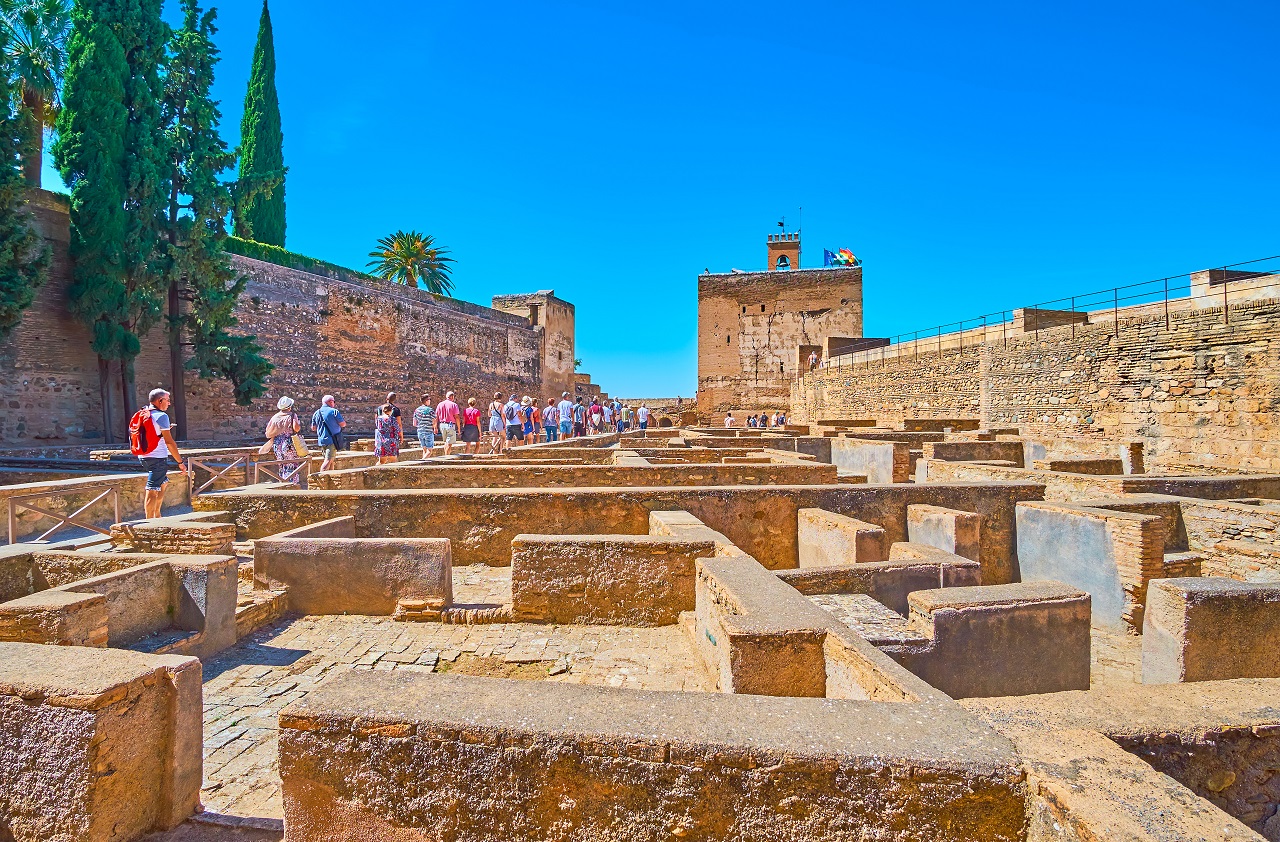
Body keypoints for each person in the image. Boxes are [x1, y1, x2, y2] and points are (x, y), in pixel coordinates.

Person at [132, 388, 187, 518]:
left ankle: (157, 514)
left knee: (163, 482)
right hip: (157, 458)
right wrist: (180, 462)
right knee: (152, 489)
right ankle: (150, 523)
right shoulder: (162, 416)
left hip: (144, 456)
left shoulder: (144, 413)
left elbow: (152, 433)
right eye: (167, 400)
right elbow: (169, 442)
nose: (169, 403)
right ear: (160, 400)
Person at [266, 396, 304, 483]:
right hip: (288, 443)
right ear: (290, 406)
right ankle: (292, 485)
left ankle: (283, 484)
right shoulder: (292, 416)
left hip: (277, 443)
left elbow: (268, 431)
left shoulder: (275, 417)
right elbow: (296, 428)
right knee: (291, 464)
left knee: (282, 465)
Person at [310, 395, 347, 472]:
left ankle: (330, 481)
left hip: (322, 440)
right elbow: (343, 424)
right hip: (332, 440)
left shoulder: (316, 413)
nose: (334, 403)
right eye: (334, 401)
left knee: (331, 461)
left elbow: (313, 428)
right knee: (328, 461)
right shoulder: (334, 411)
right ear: (330, 402)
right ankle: (321, 480)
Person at [435, 390, 461, 456]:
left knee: (446, 442)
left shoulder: (440, 404)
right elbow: (457, 417)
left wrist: (435, 427)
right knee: (449, 443)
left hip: (442, 425)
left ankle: (446, 455)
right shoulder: (454, 405)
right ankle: (446, 457)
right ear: (452, 397)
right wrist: (459, 428)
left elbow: (436, 416)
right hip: (450, 425)